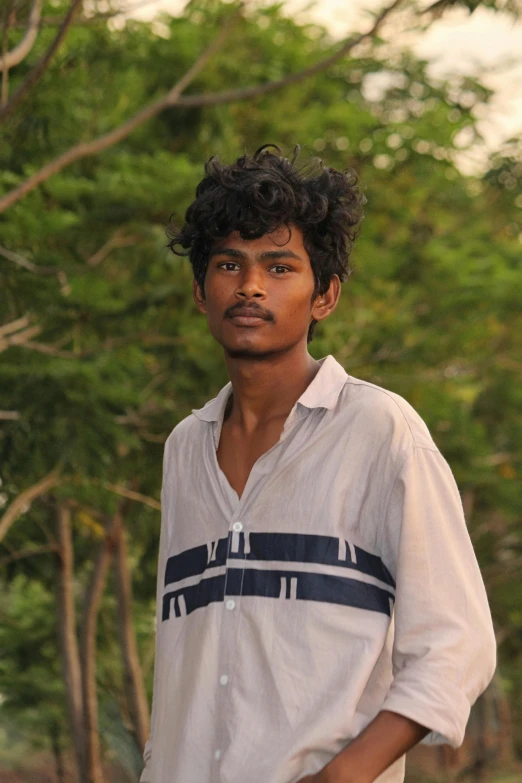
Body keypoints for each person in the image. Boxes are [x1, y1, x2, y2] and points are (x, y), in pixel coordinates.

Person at [140, 145, 496, 783]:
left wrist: (346, 774)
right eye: (229, 264)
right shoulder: (184, 447)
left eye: (279, 267)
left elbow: (457, 645)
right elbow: (181, 655)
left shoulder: (380, 433)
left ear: (325, 295)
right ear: (200, 291)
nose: (250, 285)